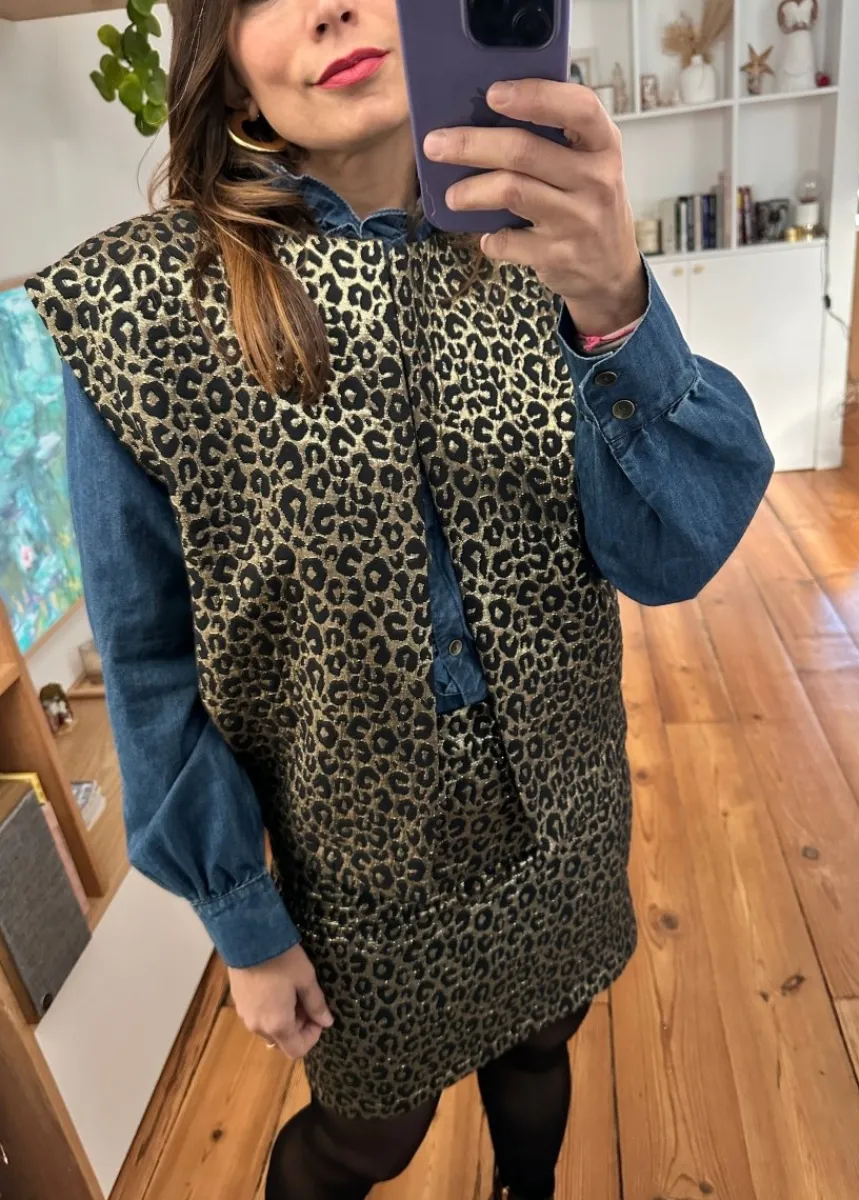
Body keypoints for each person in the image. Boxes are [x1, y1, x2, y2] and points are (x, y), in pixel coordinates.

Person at [26, 2, 774, 1197]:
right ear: (229, 74)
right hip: (357, 872)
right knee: (369, 1133)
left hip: (565, 814)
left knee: (543, 1042)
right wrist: (242, 917)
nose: (330, 5)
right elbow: (151, 661)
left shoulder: (537, 244)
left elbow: (670, 554)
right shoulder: (143, 313)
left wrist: (617, 303)